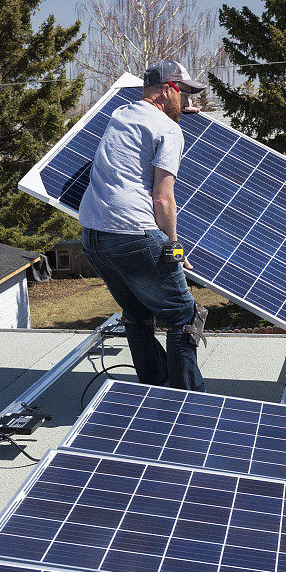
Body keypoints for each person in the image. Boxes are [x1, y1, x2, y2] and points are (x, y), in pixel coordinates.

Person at [79, 60, 207, 391]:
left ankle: (154, 389)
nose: (189, 101)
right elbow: (162, 199)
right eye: (184, 93)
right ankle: (188, 403)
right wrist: (174, 247)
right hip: (134, 234)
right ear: (167, 90)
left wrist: (175, 112)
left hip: (93, 237)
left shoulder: (121, 115)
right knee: (184, 316)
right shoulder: (168, 131)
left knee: (136, 312)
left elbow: (144, 125)